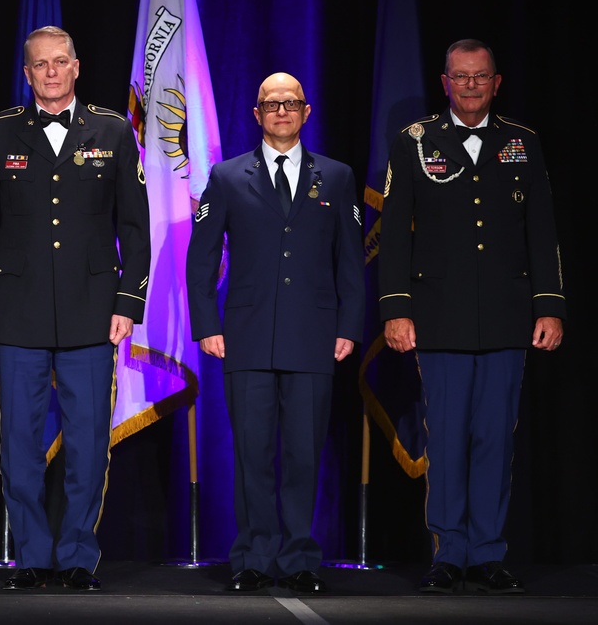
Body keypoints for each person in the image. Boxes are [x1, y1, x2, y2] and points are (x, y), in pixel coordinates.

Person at [0, 26, 150, 592]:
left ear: (76, 67)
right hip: (16, 312)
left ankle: (76, 555)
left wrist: (128, 302)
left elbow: (135, 227)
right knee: (19, 442)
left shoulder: (114, 130)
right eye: (40, 64)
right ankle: (32, 556)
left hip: (92, 312)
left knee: (90, 442)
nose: (50, 71)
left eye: (60, 61)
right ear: (27, 73)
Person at [379, 39, 566, 595]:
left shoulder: (523, 143)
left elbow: (542, 233)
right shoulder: (414, 142)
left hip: (508, 317)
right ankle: (449, 553)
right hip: (439, 318)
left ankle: (487, 552)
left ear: (496, 82)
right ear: (445, 82)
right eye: (460, 77)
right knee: (449, 439)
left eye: (479, 77)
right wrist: (396, 310)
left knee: (494, 438)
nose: (470, 86)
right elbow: (392, 239)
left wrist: (550, 306)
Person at [186, 72, 364, 594]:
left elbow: (350, 261)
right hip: (245, 334)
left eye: (291, 103)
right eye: (271, 103)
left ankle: (301, 557)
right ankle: (254, 557)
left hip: (314, 335)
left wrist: (349, 326)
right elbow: (201, 262)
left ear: (306, 112)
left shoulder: (336, 177)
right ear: (257, 114)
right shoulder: (225, 177)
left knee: (305, 454)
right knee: (253, 453)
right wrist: (207, 327)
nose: (282, 111)